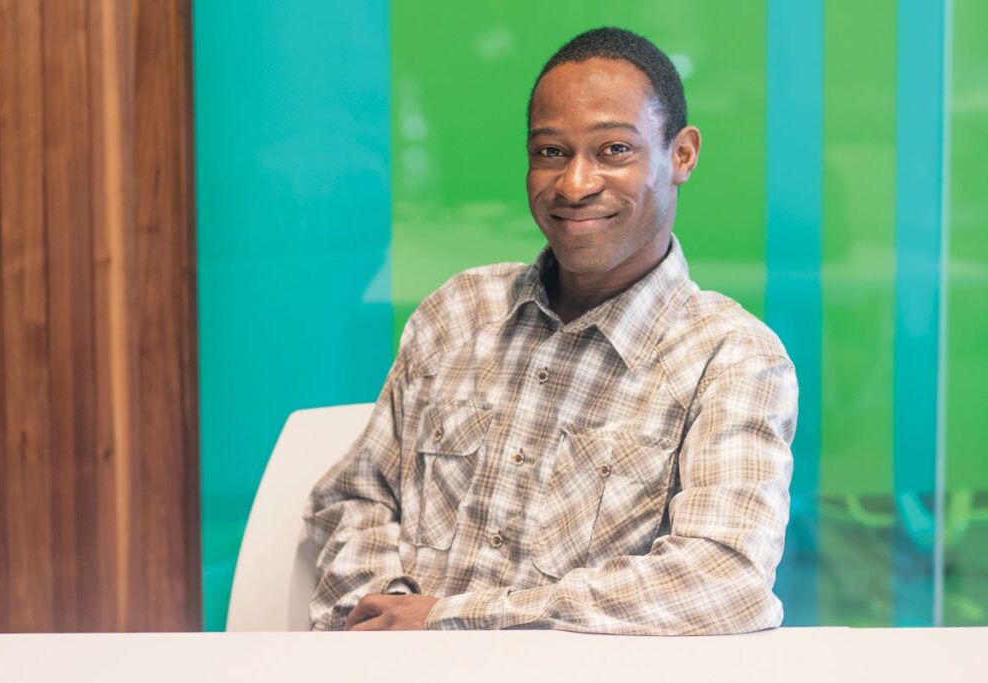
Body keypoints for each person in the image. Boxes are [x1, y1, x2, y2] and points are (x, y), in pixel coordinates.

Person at [303, 26, 797, 634]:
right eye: (551, 152)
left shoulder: (730, 358)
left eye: (614, 149)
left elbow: (724, 578)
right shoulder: (458, 312)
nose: (574, 184)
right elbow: (355, 498)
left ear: (682, 155)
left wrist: (448, 620)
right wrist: (384, 619)